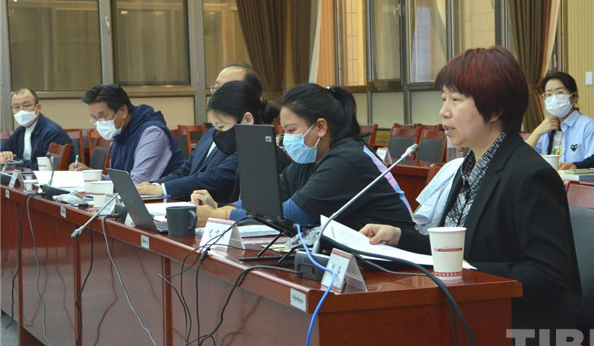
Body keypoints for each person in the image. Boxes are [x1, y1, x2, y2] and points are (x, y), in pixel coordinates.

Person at [360, 46, 586, 346]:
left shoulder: (530, 176)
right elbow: (453, 249)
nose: (443, 112)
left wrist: (468, 273)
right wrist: (398, 238)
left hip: (520, 340)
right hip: (472, 320)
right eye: (444, 99)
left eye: (456, 100)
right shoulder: (468, 166)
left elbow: (550, 275)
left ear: (495, 109)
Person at [192, 83, 413, 233]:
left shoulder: (347, 160)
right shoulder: (310, 157)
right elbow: (268, 198)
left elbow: (293, 213)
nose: (285, 138)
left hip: (396, 262)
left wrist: (220, 215)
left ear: (320, 127)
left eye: (291, 130)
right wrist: (220, 207)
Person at [136, 80, 278, 205]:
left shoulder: (254, 148)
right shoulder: (210, 134)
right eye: (214, 125)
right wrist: (155, 186)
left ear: (247, 119)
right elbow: (186, 169)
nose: (217, 132)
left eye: (221, 126)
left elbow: (215, 177)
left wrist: (163, 189)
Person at [69, 84, 184, 184]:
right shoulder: (119, 134)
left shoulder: (152, 133)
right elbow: (121, 182)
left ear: (123, 111)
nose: (99, 123)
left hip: (164, 200)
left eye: (103, 116)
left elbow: (138, 183)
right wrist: (89, 174)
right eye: (95, 118)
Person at [525, 72, 594, 163]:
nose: (554, 98)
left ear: (574, 97)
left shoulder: (588, 126)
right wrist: (537, 132)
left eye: (560, 92)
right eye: (549, 94)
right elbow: (522, 157)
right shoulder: (546, 128)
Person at [0, 88, 72, 170]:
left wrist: (13, 161)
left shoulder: (52, 132)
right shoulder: (20, 130)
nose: (21, 111)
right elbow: (2, 153)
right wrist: (5, 155)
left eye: (27, 105)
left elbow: (46, 168)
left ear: (38, 108)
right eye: (16, 107)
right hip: (25, 176)